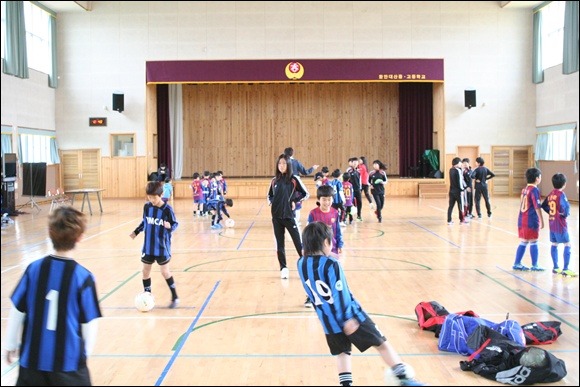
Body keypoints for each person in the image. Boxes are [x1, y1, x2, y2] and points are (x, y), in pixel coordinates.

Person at [297, 222, 425, 387]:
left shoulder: (301, 264)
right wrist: (348, 318)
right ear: (326, 243)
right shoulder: (332, 265)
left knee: (343, 353)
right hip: (351, 316)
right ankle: (404, 379)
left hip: (328, 322)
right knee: (381, 343)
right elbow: (340, 294)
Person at [3, 206, 102, 386]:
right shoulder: (83, 277)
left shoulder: (33, 270)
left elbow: (18, 309)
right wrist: (84, 355)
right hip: (69, 367)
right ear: (79, 237)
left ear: (49, 233)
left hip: (32, 364)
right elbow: (90, 323)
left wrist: (10, 343)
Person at [130, 181, 180, 307]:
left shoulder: (167, 209)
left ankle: (175, 297)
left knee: (165, 272)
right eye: (149, 197)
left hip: (162, 247)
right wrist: (136, 232)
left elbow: (175, 224)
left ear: (161, 194)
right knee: (145, 272)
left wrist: (170, 227)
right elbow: (145, 222)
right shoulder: (147, 207)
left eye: (154, 197)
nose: (151, 200)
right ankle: (148, 296)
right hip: (148, 246)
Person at [268, 153, 309, 279]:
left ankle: (306, 267)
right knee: (280, 244)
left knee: (298, 243)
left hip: (289, 217)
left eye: (284, 163)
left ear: (288, 165)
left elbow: (305, 194)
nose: (281, 166)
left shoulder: (294, 179)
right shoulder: (274, 180)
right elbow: (269, 196)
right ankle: (283, 268)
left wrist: (294, 200)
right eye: (279, 163)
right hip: (276, 218)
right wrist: (273, 203)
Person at [304, 185, 344, 308]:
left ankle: (333, 298)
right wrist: (305, 246)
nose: (327, 202)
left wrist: (340, 244)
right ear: (319, 199)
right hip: (316, 250)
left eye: (329, 199)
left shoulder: (335, 213)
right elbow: (308, 232)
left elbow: (337, 230)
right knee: (315, 274)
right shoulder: (313, 214)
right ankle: (310, 297)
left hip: (332, 249)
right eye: (324, 199)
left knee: (332, 273)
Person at [541, 173, 576, 277]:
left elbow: (544, 205)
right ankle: (566, 269)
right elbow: (565, 208)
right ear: (564, 184)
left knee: (554, 244)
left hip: (552, 224)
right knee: (567, 244)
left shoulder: (551, 194)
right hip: (560, 224)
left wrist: (552, 213)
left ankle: (556, 267)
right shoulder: (561, 194)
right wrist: (563, 214)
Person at [512, 167, 545, 272]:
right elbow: (537, 207)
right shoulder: (534, 190)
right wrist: (542, 221)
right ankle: (535, 265)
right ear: (537, 178)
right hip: (531, 220)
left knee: (524, 241)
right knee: (534, 241)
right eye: (540, 177)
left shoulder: (525, 189)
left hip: (522, 219)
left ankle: (517, 263)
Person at [284, 147, 317, 224]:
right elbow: (305, 172)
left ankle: (287, 218)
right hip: (295, 183)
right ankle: (295, 220)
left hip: (285, 183)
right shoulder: (295, 162)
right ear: (292, 153)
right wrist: (313, 168)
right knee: (301, 198)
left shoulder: (282, 162)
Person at [447, 157, 467, 225]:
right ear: (458, 163)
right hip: (458, 191)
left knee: (450, 206)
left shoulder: (451, 170)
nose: (461, 164)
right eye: (460, 162)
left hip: (451, 191)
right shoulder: (458, 170)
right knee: (461, 206)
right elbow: (460, 181)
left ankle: (449, 220)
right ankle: (462, 220)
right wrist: (462, 189)